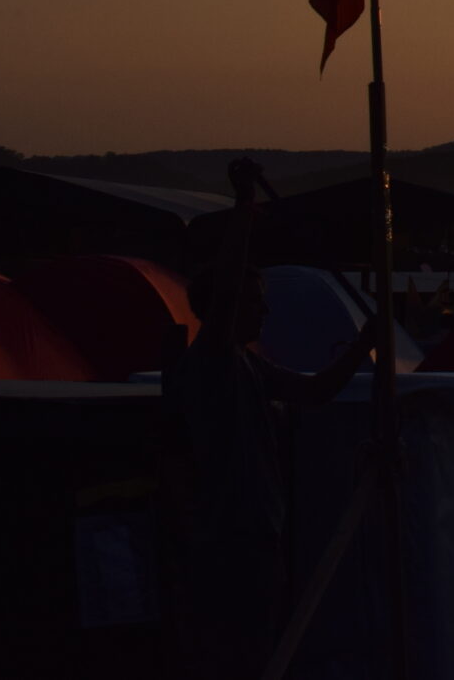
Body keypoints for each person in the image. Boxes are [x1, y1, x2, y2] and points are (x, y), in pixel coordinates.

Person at [163, 158, 380, 677]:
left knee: (259, 648)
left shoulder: (250, 365)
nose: (264, 312)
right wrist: (243, 209)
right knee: (236, 654)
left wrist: (362, 347)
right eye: (255, 303)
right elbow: (227, 288)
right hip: (226, 543)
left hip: (259, 538)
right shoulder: (212, 360)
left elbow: (316, 392)